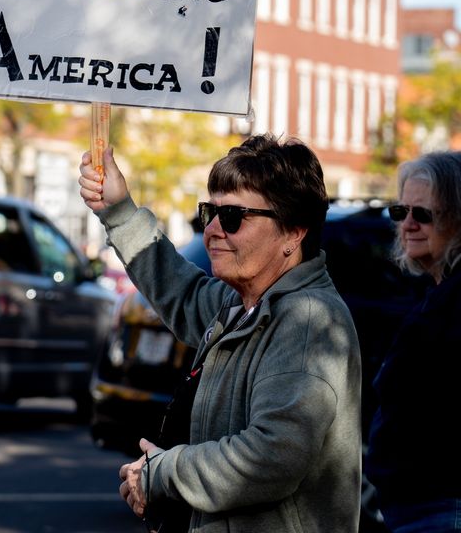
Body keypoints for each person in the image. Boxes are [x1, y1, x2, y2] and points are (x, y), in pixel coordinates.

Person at [79, 133, 362, 533]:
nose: (212, 229)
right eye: (208, 212)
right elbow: (180, 290)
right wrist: (118, 210)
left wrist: (162, 474)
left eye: (232, 217)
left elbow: (272, 457)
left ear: (293, 232)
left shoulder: (307, 319)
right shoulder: (243, 304)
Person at [366, 150, 461, 533]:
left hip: (441, 509)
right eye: (400, 212)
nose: (408, 225)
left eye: (424, 214)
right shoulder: (439, 294)